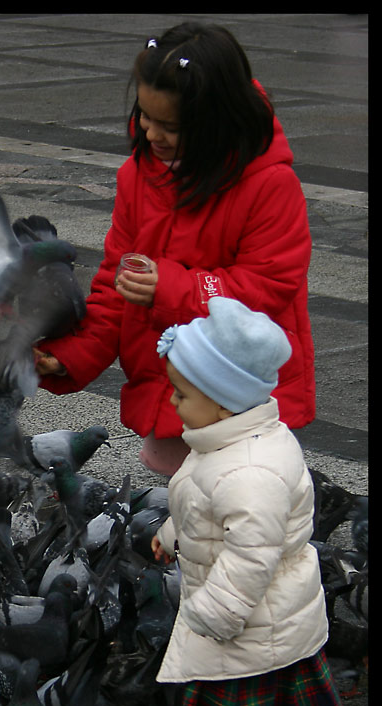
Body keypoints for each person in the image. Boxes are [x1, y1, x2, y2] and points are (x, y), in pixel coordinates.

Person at [34, 22, 315, 476]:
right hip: (170, 390)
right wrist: (71, 354)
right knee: (183, 514)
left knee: (245, 505)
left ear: (218, 122)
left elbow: (270, 286)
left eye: (170, 126)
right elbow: (114, 284)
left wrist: (175, 287)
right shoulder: (138, 176)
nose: (151, 134)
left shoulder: (269, 184)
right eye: (145, 116)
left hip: (238, 397)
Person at [148, 296, 347, 706]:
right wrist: (171, 535)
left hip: (249, 628)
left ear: (223, 402)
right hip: (254, 622)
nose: (174, 402)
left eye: (182, 393)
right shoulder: (224, 444)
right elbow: (204, 505)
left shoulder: (252, 471)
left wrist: (214, 614)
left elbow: (251, 554)